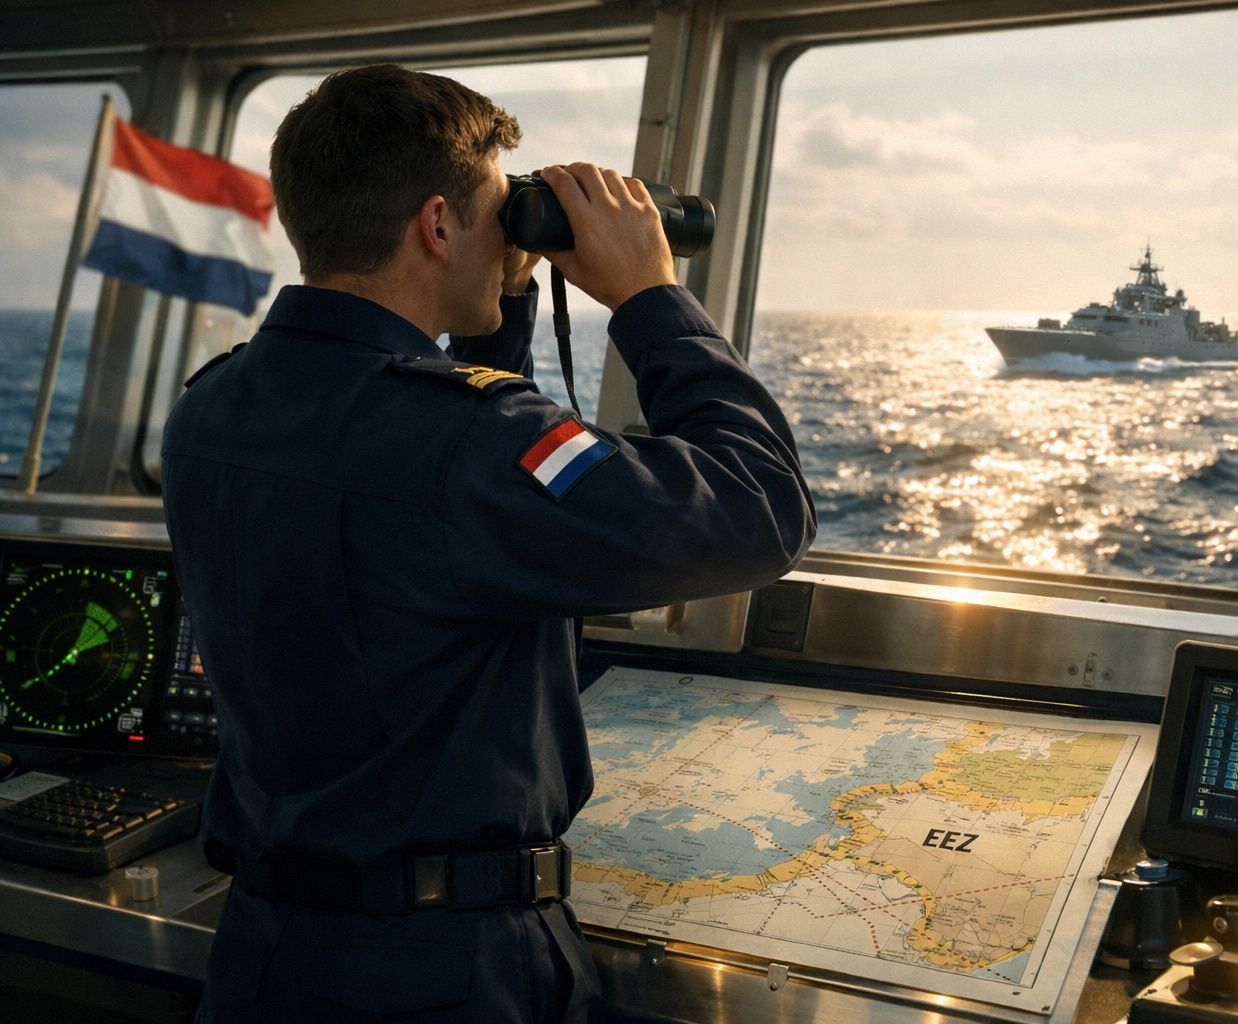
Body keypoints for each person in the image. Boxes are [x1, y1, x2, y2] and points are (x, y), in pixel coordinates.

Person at [160, 63, 815, 1023]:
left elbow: (418, 449)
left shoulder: (211, 406)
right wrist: (648, 297)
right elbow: (760, 507)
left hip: (267, 949)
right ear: (435, 225)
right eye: (497, 211)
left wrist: (491, 297)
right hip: (446, 972)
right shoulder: (468, 442)